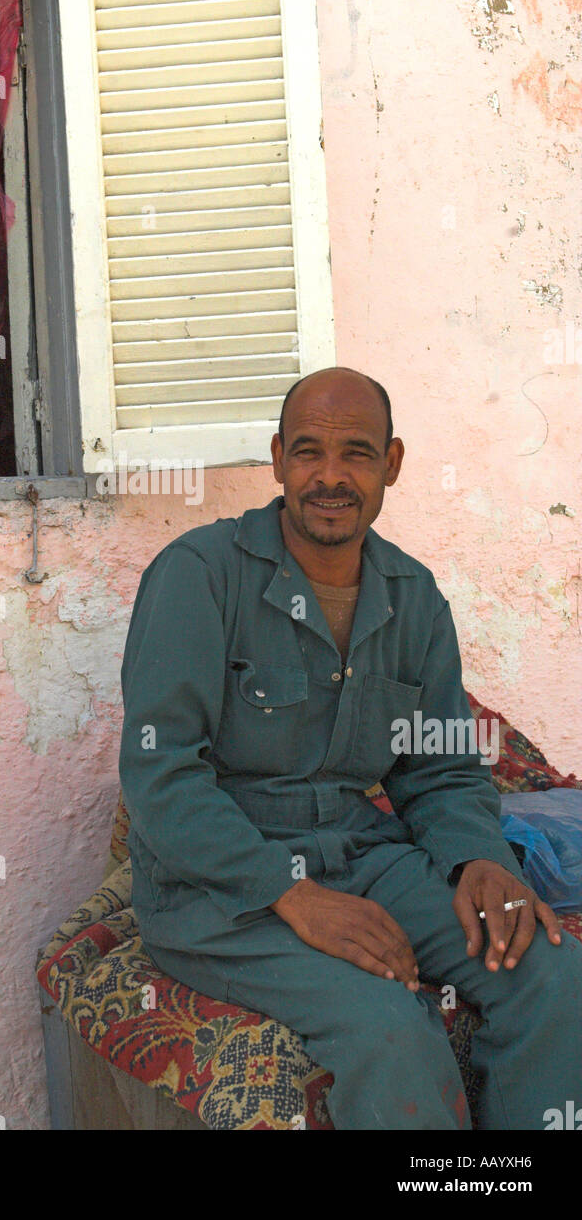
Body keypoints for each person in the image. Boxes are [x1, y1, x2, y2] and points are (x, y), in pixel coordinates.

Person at [118, 366, 582, 1129]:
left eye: (357, 455)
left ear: (392, 464)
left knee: (551, 970)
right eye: (308, 452)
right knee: (391, 1026)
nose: (330, 478)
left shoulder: (414, 597)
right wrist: (291, 895)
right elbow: (160, 775)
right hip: (219, 888)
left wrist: (479, 860)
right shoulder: (198, 573)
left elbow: (438, 770)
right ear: (276, 459)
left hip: (363, 853)